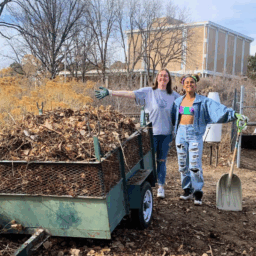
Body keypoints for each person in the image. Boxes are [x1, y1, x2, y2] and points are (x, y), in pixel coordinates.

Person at [95, 69, 180, 198]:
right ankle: (146, 188)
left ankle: (161, 187)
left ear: (169, 79)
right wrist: (110, 92)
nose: (163, 78)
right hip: (150, 134)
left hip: (166, 134)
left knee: (161, 161)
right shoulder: (148, 92)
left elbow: (185, 105)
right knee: (147, 161)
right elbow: (129, 94)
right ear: (157, 78)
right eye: (161, 76)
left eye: (166, 76)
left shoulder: (174, 95)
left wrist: (195, 108)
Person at [171, 74, 247, 205]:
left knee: (194, 166)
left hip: (195, 135)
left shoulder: (203, 101)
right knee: (183, 165)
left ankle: (197, 193)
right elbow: (173, 118)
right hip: (181, 135)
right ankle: (187, 190)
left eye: (192, 82)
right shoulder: (178, 102)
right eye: (187, 82)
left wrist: (234, 114)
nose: (189, 84)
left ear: (195, 85)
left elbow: (218, 109)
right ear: (183, 85)